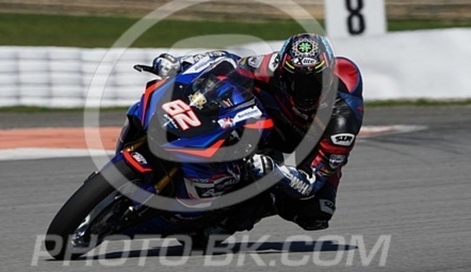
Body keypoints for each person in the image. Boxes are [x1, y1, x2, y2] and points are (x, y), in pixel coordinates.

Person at [150, 33, 364, 233]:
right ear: (282, 71)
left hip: (314, 142)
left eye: (314, 82)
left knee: (314, 211)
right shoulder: (271, 66)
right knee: (224, 85)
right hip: (272, 119)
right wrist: (180, 64)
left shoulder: (343, 116)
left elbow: (310, 183)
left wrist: (274, 171)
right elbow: (228, 61)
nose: (304, 91)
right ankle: (206, 154)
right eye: (295, 81)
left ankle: (234, 217)